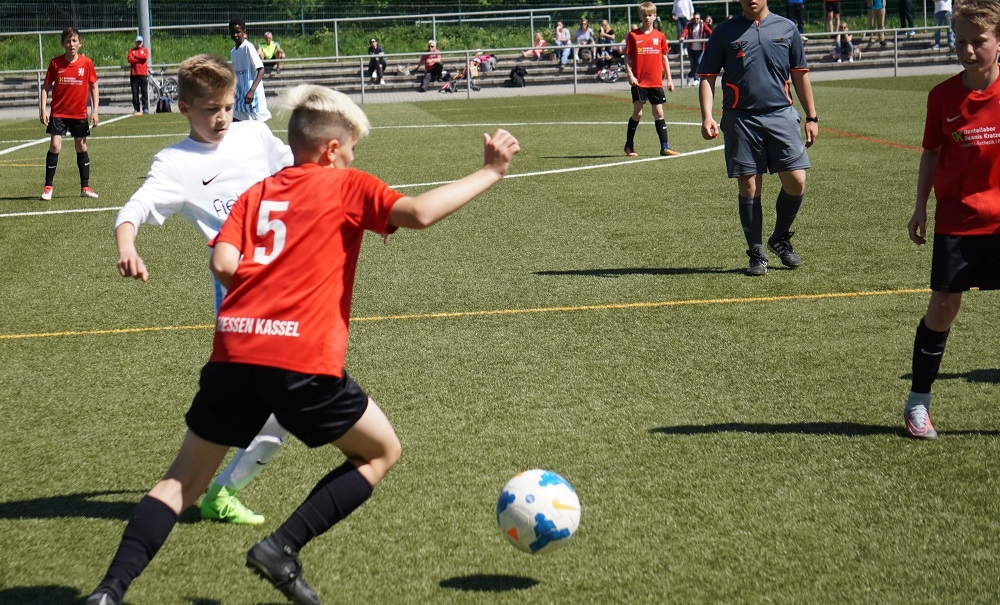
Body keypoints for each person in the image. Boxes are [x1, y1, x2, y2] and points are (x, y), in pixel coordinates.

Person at [84, 83, 520, 605]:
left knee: (182, 481)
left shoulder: (256, 194)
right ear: (332, 150)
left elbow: (222, 262)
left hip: (235, 349)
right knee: (381, 452)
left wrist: (265, 284)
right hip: (301, 358)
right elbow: (420, 213)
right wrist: (491, 172)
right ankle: (281, 547)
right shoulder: (346, 185)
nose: (353, 157)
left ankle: (109, 591)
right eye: (352, 148)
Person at [113, 54, 293, 526]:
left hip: (291, 285)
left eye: (228, 107)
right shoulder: (176, 163)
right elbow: (134, 209)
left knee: (284, 404)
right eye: (211, 109)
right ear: (184, 108)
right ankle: (211, 487)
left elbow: (302, 175)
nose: (222, 118)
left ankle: (217, 489)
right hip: (238, 294)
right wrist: (127, 247)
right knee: (278, 401)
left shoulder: (254, 135)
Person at [903, 0, 1000, 439]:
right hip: (958, 220)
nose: (968, 50)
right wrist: (920, 206)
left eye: (978, 41)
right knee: (943, 309)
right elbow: (931, 152)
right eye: (960, 41)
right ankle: (917, 403)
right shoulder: (941, 96)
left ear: (998, 41)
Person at [697, 0, 818, 276]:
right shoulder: (724, 32)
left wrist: (812, 117)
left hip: (781, 115)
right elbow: (707, 76)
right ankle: (756, 253)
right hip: (741, 119)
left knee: (797, 180)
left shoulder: (787, 28)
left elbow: (800, 74)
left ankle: (779, 237)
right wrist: (707, 116)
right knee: (749, 185)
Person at [39, 26, 99, 201]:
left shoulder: (86, 63)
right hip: (58, 112)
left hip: (79, 114)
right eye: (67, 41)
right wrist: (43, 109)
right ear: (63, 44)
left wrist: (95, 111)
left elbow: (93, 86)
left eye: (74, 41)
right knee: (55, 146)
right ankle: (48, 187)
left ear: (80, 43)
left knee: (81, 147)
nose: (71, 44)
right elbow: (46, 87)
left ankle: (85, 187)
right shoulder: (55, 63)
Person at [623, 2, 678, 157]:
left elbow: (664, 58)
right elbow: (627, 58)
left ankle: (665, 147)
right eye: (644, 15)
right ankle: (629, 145)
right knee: (638, 113)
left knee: (659, 113)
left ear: (654, 16)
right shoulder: (633, 35)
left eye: (650, 15)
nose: (647, 18)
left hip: (655, 81)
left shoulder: (660, 36)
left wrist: (669, 79)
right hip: (639, 81)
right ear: (640, 17)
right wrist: (630, 75)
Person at [229, 18, 270, 121]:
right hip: (241, 96)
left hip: (253, 96)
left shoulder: (248, 47)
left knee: (259, 126)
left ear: (244, 32)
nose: (235, 35)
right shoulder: (233, 52)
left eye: (238, 32)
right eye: (233, 32)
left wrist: (252, 91)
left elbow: (261, 70)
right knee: (235, 122)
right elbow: (237, 74)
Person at [680, 13, 712, 86]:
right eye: (694, 18)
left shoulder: (703, 25)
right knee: (693, 65)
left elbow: (709, 31)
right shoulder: (689, 25)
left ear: (700, 19)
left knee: (698, 63)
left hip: (700, 49)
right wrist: (682, 37)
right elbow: (685, 31)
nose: (696, 20)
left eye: (697, 18)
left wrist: (714, 36)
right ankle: (689, 76)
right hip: (691, 49)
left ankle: (696, 79)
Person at [127, 35, 149, 116]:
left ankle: (145, 108)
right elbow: (130, 59)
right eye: (137, 42)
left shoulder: (145, 50)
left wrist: (136, 57)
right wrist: (139, 59)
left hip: (143, 74)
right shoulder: (131, 51)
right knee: (135, 93)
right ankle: (136, 108)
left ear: (142, 43)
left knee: (144, 92)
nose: (138, 43)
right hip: (134, 74)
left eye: (140, 42)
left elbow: (145, 57)